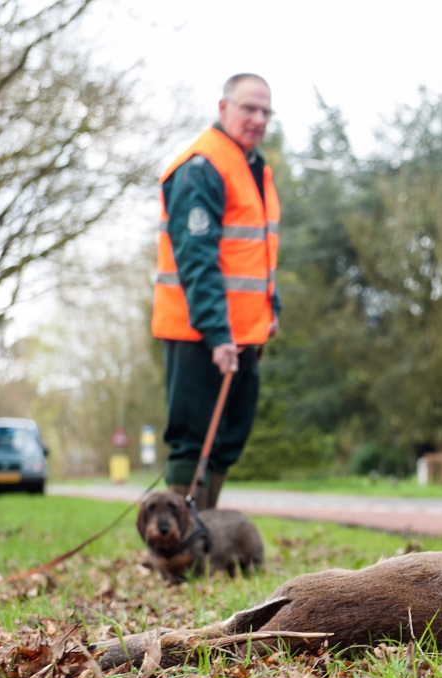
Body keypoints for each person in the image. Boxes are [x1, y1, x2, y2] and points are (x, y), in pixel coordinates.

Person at [151, 73, 281, 509]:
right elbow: (196, 259)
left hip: (245, 333)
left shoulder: (254, 168)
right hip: (200, 332)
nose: (258, 118)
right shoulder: (202, 167)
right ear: (224, 107)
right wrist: (217, 334)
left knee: (228, 436)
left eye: (266, 111)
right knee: (194, 437)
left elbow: (256, 253)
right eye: (249, 108)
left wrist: (270, 308)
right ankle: (180, 541)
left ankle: (203, 527)